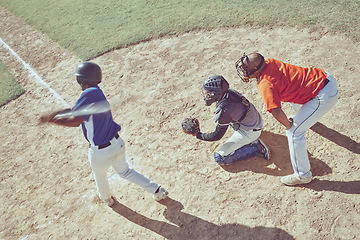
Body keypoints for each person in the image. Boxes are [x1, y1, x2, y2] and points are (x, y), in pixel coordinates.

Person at [39, 61, 168, 206]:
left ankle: (107, 199)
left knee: (99, 175)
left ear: (81, 79)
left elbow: (75, 121)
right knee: (125, 172)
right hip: (117, 144)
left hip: (100, 152)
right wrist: (55, 114)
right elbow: (74, 110)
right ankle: (158, 190)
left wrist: (52, 121)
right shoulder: (95, 92)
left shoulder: (87, 94)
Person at [235, 53, 339, 186]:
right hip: (324, 76)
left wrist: (288, 124)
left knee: (294, 132)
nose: (243, 71)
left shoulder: (265, 84)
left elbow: (276, 110)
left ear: (255, 68)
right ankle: (308, 119)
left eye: (245, 68)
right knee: (292, 98)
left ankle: (302, 176)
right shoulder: (270, 62)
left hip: (323, 96)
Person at [187, 75, 270, 165]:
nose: (206, 95)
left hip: (250, 132)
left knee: (219, 158)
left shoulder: (226, 111)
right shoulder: (229, 93)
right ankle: (251, 138)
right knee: (232, 121)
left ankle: (256, 146)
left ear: (217, 93)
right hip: (254, 121)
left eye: (208, 93)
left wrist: (198, 135)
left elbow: (217, 136)